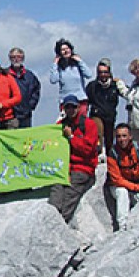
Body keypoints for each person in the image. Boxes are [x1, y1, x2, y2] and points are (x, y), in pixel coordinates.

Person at [48, 95, 99, 223]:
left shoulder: (88, 124)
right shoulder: (60, 125)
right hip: (65, 168)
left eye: (74, 107)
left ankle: (61, 223)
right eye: (68, 107)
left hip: (83, 168)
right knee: (56, 189)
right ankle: (52, 218)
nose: (71, 110)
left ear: (79, 107)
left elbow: (88, 150)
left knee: (70, 194)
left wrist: (71, 138)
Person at [106, 123, 139, 231]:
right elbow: (117, 180)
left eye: (124, 136)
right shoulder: (113, 154)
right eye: (118, 136)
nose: (121, 139)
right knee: (122, 193)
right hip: (119, 185)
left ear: (130, 136)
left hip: (137, 182)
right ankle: (123, 226)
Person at [85, 58, 122, 156]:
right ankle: (97, 153)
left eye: (105, 72)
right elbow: (85, 102)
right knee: (97, 133)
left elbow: (129, 95)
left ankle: (111, 166)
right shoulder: (92, 86)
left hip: (110, 118)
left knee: (110, 144)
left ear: (109, 72)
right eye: (100, 72)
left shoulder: (115, 85)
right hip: (96, 115)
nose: (103, 75)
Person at [49, 38, 92, 116]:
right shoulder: (59, 67)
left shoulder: (78, 64)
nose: (65, 51)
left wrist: (80, 61)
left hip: (80, 99)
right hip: (65, 100)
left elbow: (88, 74)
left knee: (81, 124)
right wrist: (55, 64)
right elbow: (53, 80)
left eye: (67, 48)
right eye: (62, 50)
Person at [7, 47, 41, 128]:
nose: (16, 59)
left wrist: (30, 106)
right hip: (11, 116)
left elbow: (36, 90)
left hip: (26, 115)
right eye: (13, 57)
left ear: (23, 58)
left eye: (19, 57)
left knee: (26, 139)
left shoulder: (30, 76)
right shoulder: (5, 74)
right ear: (10, 58)